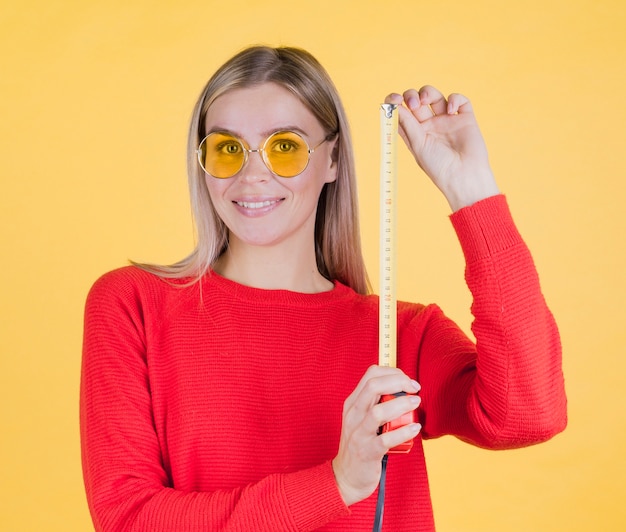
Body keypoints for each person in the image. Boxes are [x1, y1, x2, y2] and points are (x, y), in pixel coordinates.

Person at [80, 45, 567, 531]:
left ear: (332, 160)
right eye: (227, 149)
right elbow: (128, 519)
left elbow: (527, 414)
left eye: (285, 147)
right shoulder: (133, 305)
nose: (252, 175)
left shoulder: (401, 336)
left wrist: (472, 189)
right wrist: (338, 484)